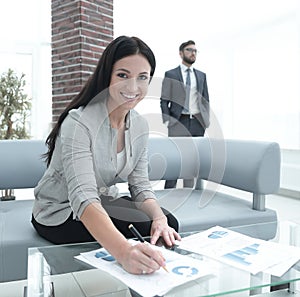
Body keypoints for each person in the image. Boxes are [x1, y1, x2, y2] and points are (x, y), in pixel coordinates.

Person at [31, 36, 181, 275]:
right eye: (123, 75)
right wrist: (123, 252)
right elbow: (83, 196)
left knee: (166, 225)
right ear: (107, 76)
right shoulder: (79, 122)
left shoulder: (140, 126)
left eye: (142, 77)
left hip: (102, 201)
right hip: (60, 212)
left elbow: (140, 186)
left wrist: (158, 217)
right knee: (137, 239)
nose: (133, 87)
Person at [160, 40, 210, 189]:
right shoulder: (171, 74)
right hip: (178, 121)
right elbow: (164, 100)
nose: (193, 53)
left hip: (197, 122)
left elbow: (205, 99)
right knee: (174, 158)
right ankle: (169, 192)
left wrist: (205, 120)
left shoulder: (201, 75)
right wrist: (168, 120)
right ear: (181, 53)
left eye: (195, 51)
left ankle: (188, 193)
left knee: (192, 160)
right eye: (189, 50)